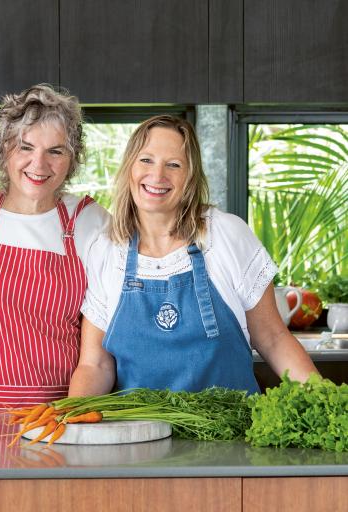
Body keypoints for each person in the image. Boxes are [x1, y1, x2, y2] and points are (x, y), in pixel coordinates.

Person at [69, 115, 317, 396]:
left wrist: (326, 402)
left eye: (173, 165)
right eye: (146, 160)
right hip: (141, 435)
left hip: (233, 433)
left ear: (190, 177)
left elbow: (273, 338)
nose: (157, 175)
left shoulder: (224, 235)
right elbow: (95, 365)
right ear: (129, 168)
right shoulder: (107, 251)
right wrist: (73, 421)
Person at [0, 84, 110, 410]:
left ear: (73, 159)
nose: (39, 164)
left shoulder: (92, 222)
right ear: (4, 150)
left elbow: (99, 351)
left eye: (56, 151)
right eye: (25, 147)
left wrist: (69, 422)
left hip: (63, 416)